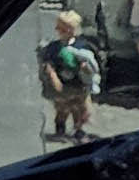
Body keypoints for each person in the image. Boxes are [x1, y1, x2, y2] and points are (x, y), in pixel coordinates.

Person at [36, 10, 95, 141]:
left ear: (71, 29)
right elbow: (48, 64)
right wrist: (53, 77)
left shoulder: (82, 46)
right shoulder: (54, 47)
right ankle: (60, 128)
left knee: (79, 109)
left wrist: (87, 70)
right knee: (62, 108)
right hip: (62, 84)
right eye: (58, 28)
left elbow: (89, 62)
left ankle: (79, 129)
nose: (58, 30)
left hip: (78, 83)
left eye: (62, 28)